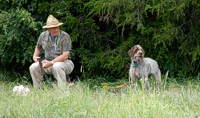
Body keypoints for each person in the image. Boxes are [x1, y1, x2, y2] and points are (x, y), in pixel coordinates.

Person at [29, 15, 74, 89]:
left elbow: (65, 55)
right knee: (33, 67)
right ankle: (38, 90)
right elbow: (38, 48)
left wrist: (51, 63)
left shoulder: (65, 36)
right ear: (48, 29)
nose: (56, 29)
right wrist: (35, 57)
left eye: (57, 27)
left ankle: (62, 92)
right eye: (53, 28)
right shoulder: (43, 36)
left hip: (65, 63)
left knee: (57, 66)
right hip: (47, 62)